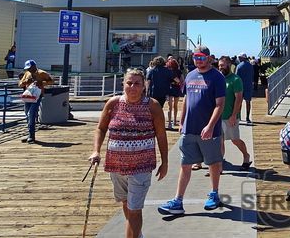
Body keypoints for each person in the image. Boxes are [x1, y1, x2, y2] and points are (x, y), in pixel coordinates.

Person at [88, 68, 168, 238]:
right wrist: (96, 150)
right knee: (126, 203)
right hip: (116, 166)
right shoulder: (113, 103)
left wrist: (165, 162)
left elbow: (161, 135)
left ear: (144, 85)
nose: (132, 87)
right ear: (123, 84)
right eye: (129, 83)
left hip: (141, 166)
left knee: (134, 210)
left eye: (137, 83)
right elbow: (101, 129)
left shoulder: (152, 106)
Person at [158, 45, 226, 216]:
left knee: (213, 163)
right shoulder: (190, 75)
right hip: (189, 129)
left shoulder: (217, 77)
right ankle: (178, 200)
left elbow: (220, 105)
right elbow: (187, 99)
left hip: (209, 131)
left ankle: (214, 193)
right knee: (185, 164)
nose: (198, 60)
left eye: (202, 57)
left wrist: (210, 126)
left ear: (209, 59)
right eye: (196, 57)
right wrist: (181, 121)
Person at [218, 56, 251, 170]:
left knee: (235, 140)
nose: (220, 68)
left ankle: (246, 156)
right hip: (218, 116)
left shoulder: (235, 79)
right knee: (219, 141)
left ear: (229, 65)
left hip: (230, 116)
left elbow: (239, 98)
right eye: (219, 66)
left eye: (222, 65)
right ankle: (219, 166)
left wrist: (233, 115)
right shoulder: (218, 79)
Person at [18, 60, 54, 144]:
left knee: (31, 114)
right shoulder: (27, 73)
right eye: (28, 68)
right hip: (28, 96)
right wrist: (26, 82)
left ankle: (31, 136)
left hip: (37, 96)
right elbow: (20, 84)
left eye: (30, 68)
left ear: (34, 66)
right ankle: (30, 134)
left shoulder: (42, 73)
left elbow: (52, 81)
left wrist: (41, 82)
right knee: (27, 114)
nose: (29, 70)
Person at [165, 55, 183, 128]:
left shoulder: (168, 71)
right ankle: (175, 121)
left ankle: (169, 123)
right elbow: (182, 80)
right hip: (176, 88)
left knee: (170, 107)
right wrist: (178, 83)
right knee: (175, 106)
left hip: (170, 88)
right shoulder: (179, 71)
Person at [236, 52, 254, 124]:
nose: (239, 59)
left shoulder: (239, 66)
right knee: (248, 102)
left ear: (242, 58)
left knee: (239, 102)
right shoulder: (250, 65)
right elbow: (253, 75)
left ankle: (239, 117)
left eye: (239, 57)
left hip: (240, 86)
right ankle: (247, 118)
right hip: (248, 86)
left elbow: (236, 77)